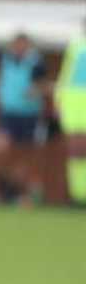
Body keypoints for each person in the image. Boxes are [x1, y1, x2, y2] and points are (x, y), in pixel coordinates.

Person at [0, 33, 47, 204]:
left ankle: (21, 194)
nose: (19, 47)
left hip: (28, 114)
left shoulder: (36, 63)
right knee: (0, 149)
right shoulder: (6, 61)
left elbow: (42, 85)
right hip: (7, 113)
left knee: (24, 155)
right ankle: (0, 190)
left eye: (23, 44)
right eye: (17, 44)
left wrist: (35, 91)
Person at [55, 19, 86, 207]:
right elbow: (65, 75)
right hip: (74, 103)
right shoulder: (75, 46)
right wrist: (59, 100)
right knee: (76, 149)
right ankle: (78, 194)